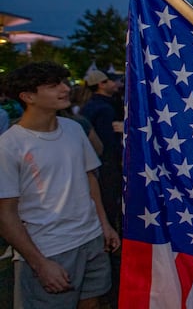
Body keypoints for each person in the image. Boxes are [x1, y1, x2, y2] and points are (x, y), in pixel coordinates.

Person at [0, 62, 120, 308]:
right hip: (50, 248)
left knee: (93, 303)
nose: (65, 89)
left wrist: (104, 225)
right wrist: (40, 264)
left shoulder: (74, 129)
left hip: (91, 240)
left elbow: (89, 178)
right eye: (53, 86)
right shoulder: (9, 146)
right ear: (28, 96)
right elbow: (6, 214)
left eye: (64, 83)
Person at [80, 70, 123, 232]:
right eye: (111, 81)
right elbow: (107, 141)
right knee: (109, 200)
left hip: (99, 161)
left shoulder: (90, 105)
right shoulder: (104, 108)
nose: (115, 84)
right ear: (101, 84)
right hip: (107, 162)